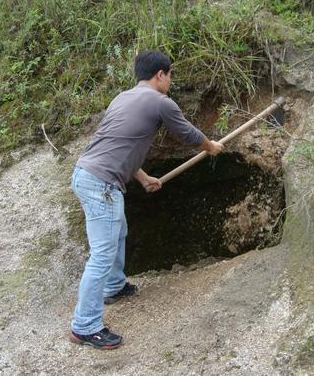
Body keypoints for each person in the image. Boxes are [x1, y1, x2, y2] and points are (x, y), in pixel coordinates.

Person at [68, 50, 224, 349]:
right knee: (101, 253)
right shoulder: (159, 102)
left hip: (87, 174)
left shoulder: (122, 98)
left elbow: (119, 144)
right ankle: (85, 326)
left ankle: (114, 286)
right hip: (101, 183)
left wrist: (142, 177)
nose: (171, 81)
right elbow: (188, 134)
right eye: (170, 74)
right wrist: (211, 146)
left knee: (118, 232)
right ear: (160, 74)